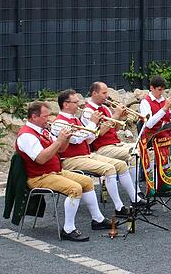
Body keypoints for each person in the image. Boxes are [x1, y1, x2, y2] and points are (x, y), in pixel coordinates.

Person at [15, 101, 110, 241]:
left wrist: (66, 138)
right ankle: (68, 229)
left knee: (87, 181)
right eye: (45, 116)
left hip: (55, 171)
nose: (48, 119)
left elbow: (60, 149)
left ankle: (98, 219)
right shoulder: (26, 136)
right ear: (34, 117)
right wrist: (59, 141)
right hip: (39, 177)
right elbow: (41, 159)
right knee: (75, 188)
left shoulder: (43, 130)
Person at [52, 89, 136, 217]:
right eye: (75, 102)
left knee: (121, 165)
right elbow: (76, 139)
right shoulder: (59, 122)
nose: (78, 105)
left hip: (86, 155)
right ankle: (119, 207)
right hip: (71, 159)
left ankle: (136, 199)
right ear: (65, 104)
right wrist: (92, 123)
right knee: (109, 169)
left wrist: (94, 126)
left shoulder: (75, 119)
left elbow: (90, 138)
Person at [82, 82, 142, 203]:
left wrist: (119, 117)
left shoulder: (105, 108)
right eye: (104, 93)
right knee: (134, 153)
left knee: (142, 148)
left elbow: (115, 129)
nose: (107, 96)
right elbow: (99, 133)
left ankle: (136, 190)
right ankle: (136, 191)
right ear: (94, 93)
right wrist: (116, 115)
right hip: (101, 148)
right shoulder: (88, 112)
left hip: (116, 144)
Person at [138, 75, 171, 192]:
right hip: (150, 138)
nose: (161, 93)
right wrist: (165, 109)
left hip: (163, 136)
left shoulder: (163, 101)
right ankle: (157, 186)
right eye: (159, 90)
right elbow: (149, 124)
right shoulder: (145, 102)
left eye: (163, 90)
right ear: (152, 88)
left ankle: (168, 183)